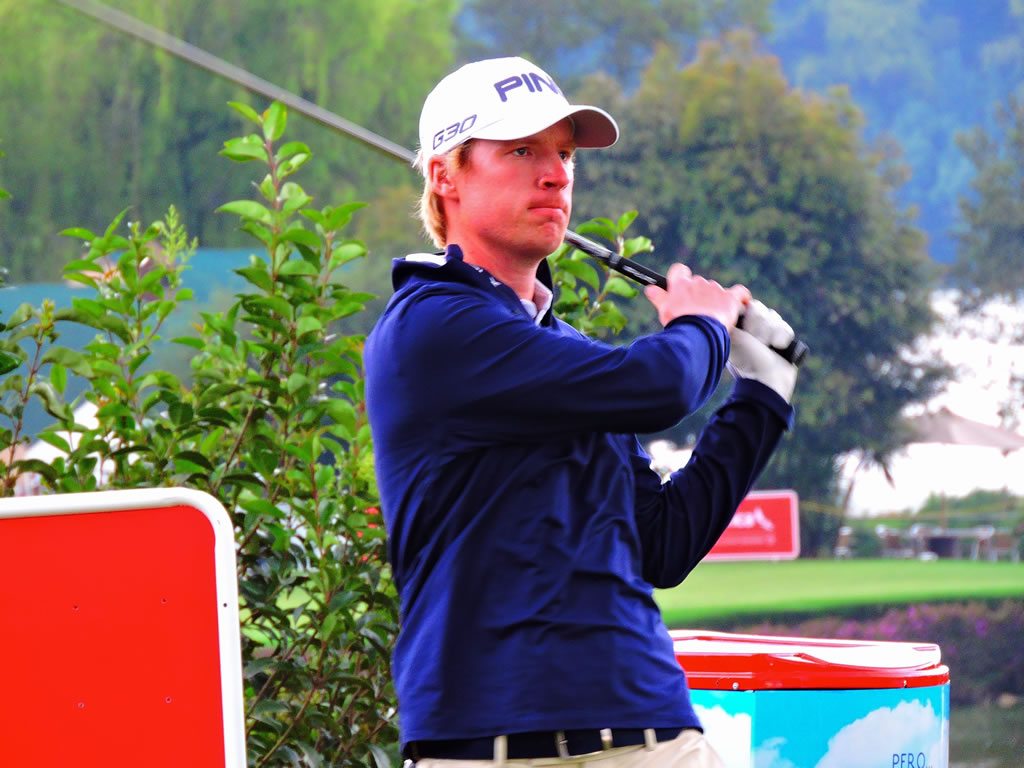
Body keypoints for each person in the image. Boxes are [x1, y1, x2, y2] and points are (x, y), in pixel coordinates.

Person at [364, 56, 799, 767]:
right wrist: (702, 323)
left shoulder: (567, 355)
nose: (556, 175)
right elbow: (660, 386)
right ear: (445, 176)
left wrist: (761, 397)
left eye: (564, 154)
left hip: (650, 733)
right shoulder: (432, 326)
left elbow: (663, 543)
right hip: (484, 745)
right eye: (521, 151)